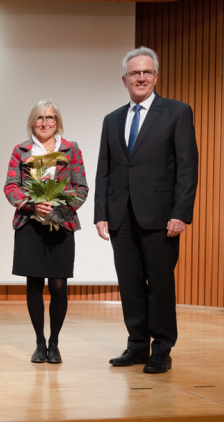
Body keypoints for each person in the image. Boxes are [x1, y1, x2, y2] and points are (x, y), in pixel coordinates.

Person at [95, 47, 198, 374]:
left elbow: (187, 167)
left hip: (160, 217)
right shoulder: (112, 119)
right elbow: (104, 169)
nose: (141, 78)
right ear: (124, 79)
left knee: (161, 285)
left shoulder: (177, 113)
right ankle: (137, 345)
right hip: (120, 217)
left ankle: (162, 348)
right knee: (130, 284)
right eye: (135, 73)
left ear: (156, 77)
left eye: (147, 72)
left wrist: (180, 212)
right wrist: (101, 213)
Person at [4, 99, 88, 364]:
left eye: (50, 118)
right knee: (34, 284)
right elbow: (10, 187)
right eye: (39, 118)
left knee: (59, 286)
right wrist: (32, 204)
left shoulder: (70, 149)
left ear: (57, 121)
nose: (44, 123)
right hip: (30, 225)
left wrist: (58, 204)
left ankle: (55, 343)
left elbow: (81, 187)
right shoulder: (21, 150)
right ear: (32, 122)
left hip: (61, 223)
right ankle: (40, 343)